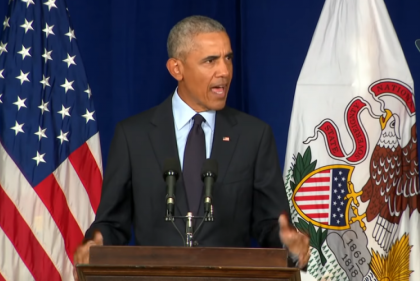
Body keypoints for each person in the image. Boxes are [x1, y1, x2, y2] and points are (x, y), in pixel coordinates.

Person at [73, 15, 309, 279]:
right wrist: (96, 243)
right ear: (177, 68)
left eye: (228, 58)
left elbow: (270, 224)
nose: (225, 71)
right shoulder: (133, 136)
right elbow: (112, 223)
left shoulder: (254, 136)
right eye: (211, 61)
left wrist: (288, 243)